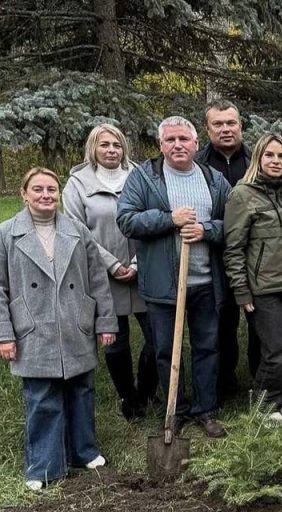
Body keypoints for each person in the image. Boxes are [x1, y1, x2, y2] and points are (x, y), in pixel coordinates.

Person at [0, 168, 117, 491]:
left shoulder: (77, 231)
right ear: (24, 194)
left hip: (75, 324)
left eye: (52, 190)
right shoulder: (6, 235)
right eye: (38, 189)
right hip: (33, 327)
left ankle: (84, 451)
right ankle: (44, 465)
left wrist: (104, 322)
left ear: (59, 194)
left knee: (81, 391)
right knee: (42, 397)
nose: (46, 195)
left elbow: (98, 279)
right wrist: (2, 333)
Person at [118, 116, 231, 438]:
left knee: (207, 347)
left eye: (184, 139)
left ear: (196, 144)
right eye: (170, 140)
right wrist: (170, 219)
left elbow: (232, 223)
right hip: (163, 284)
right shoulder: (144, 178)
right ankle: (175, 410)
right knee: (167, 350)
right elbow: (126, 220)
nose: (177, 145)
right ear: (161, 145)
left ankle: (205, 409)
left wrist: (206, 230)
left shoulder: (214, 179)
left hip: (206, 282)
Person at [63, 124, 157, 421]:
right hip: (103, 274)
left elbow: (154, 217)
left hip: (145, 269)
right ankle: (128, 398)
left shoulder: (141, 176)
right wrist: (113, 265)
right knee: (116, 340)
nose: (111, 150)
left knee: (158, 336)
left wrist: (137, 263)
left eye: (116, 144)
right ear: (93, 148)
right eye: (104, 145)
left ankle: (145, 391)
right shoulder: (77, 184)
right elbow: (77, 231)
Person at [223, 133, 282, 424]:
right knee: (277, 349)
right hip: (263, 288)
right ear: (258, 158)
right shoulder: (242, 195)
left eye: (281, 156)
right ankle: (264, 403)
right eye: (269, 155)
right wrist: (241, 291)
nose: (276, 161)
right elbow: (233, 248)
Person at [194, 99, 256, 396]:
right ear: (207, 129)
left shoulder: (257, 159)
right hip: (215, 256)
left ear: (240, 125)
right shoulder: (197, 165)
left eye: (231, 123)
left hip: (256, 256)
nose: (225, 129)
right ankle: (224, 383)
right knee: (221, 322)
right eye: (218, 124)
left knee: (259, 322)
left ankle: (262, 382)